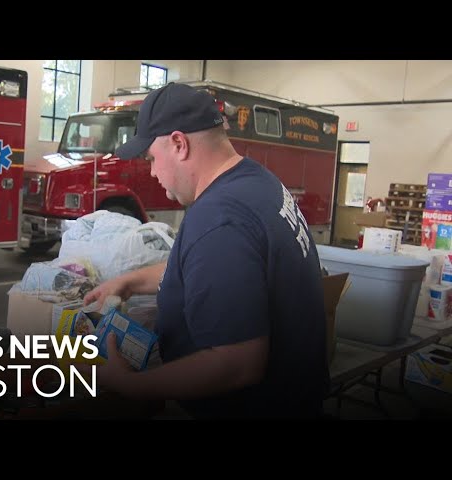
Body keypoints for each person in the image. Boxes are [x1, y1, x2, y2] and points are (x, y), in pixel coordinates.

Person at [83, 82, 329, 419]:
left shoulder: (219, 218)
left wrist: (131, 385)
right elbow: (206, 268)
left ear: (179, 144)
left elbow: (237, 364)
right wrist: (129, 281)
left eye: (152, 158)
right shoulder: (258, 181)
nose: (152, 171)